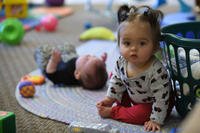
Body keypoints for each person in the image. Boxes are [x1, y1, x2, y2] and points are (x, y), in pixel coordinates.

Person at [96, 5, 174, 132]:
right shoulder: (121, 62)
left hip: (156, 104)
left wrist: (155, 120)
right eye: (127, 43)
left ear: (155, 47)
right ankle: (122, 107)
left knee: (142, 115)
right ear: (119, 43)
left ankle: (114, 112)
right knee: (114, 78)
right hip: (134, 95)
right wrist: (110, 98)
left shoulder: (156, 71)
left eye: (142, 43)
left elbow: (161, 99)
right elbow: (117, 81)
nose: (133, 48)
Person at [34, 43, 108, 90]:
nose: (90, 56)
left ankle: (49, 53)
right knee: (69, 47)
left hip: (51, 66)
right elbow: (97, 71)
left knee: (42, 51)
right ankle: (61, 51)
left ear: (77, 74)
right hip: (69, 59)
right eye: (93, 57)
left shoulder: (65, 73)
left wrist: (53, 60)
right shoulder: (81, 70)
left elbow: (50, 74)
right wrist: (101, 61)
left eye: (87, 59)